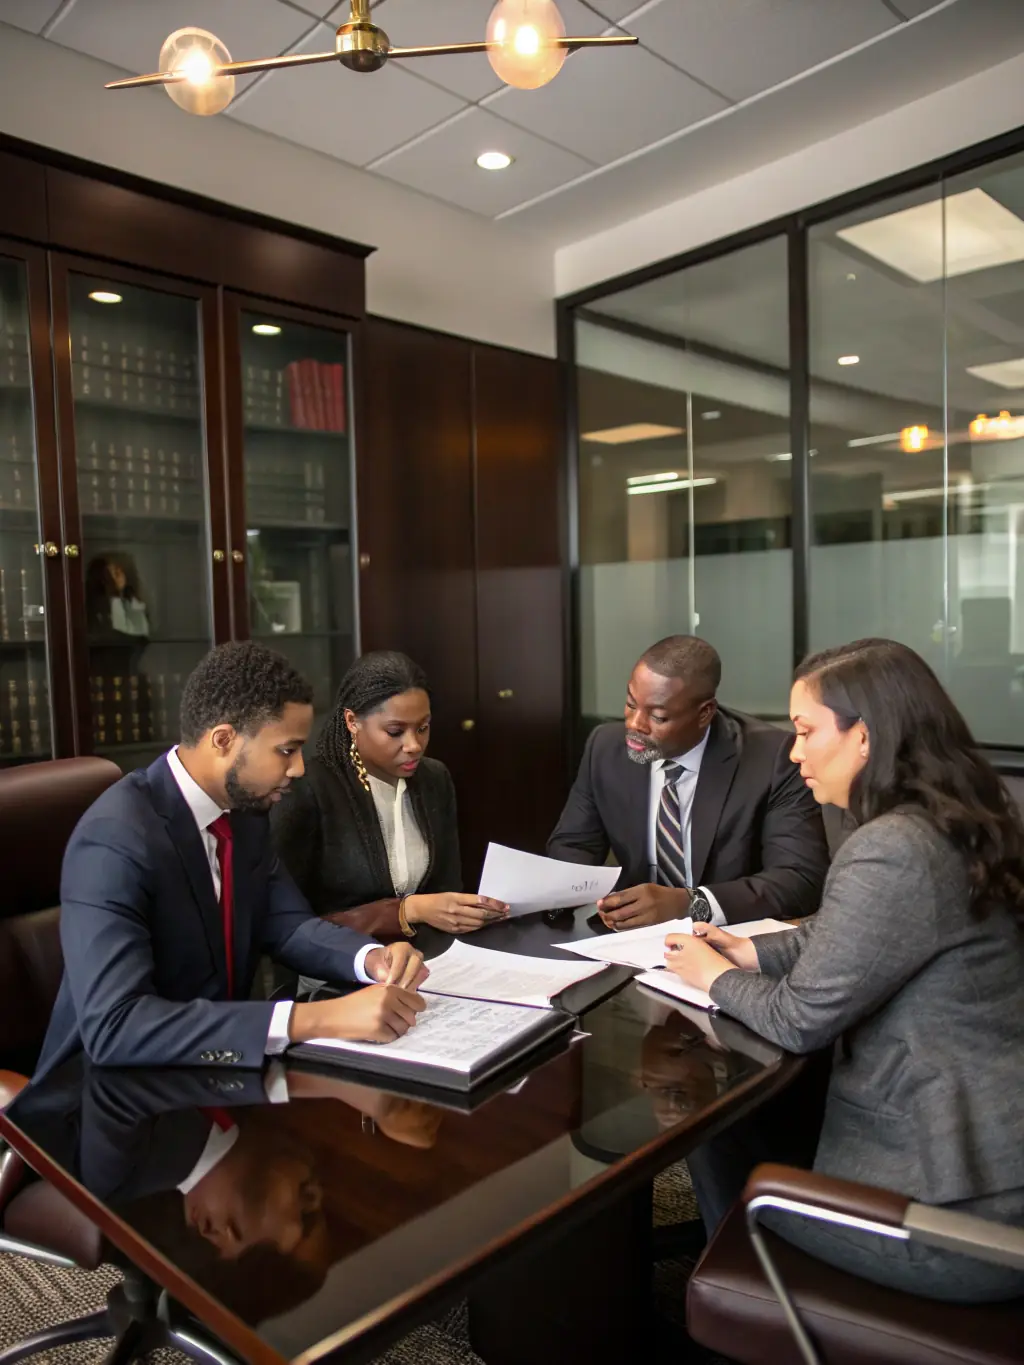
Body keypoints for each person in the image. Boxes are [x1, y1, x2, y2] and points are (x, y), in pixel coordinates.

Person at [664, 638, 1024, 1303]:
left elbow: (797, 1018)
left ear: (865, 736)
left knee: (718, 1129)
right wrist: (747, 952)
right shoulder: (961, 820)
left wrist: (711, 976)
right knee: (753, 1116)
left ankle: (750, 1302)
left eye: (805, 731)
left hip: (954, 1216)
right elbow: (859, 936)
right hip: (996, 1162)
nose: (794, 751)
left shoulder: (891, 847)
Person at [35, 641, 429, 1080]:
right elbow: (116, 1027)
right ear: (223, 740)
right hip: (114, 1097)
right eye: (286, 750)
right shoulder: (114, 839)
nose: (298, 768)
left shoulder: (245, 814)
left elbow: (288, 924)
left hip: (222, 1072)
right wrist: (317, 1019)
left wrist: (371, 959)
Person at [548, 635, 829, 929]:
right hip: (628, 940)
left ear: (705, 713)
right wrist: (529, 900)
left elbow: (799, 879)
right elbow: (574, 844)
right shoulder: (606, 748)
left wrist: (689, 903)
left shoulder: (773, 759)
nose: (635, 724)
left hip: (729, 942)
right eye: (631, 704)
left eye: (658, 716)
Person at [272, 651, 507, 942]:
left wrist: (467, 911)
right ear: (352, 721)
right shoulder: (309, 789)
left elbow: (447, 889)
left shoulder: (434, 779)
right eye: (395, 731)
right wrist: (406, 911)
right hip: (339, 968)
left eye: (423, 728)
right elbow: (285, 925)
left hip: (428, 959)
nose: (414, 745)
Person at [86, 552, 151, 638]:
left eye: (120, 570)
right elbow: (117, 635)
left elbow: (140, 633)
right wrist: (114, 596)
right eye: (112, 572)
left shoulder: (134, 602)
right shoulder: (94, 609)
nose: (118, 575)